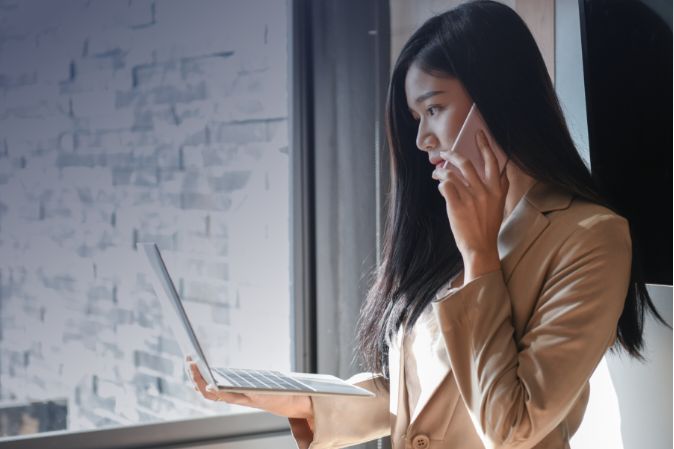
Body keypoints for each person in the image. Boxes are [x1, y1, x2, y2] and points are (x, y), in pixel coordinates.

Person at [187, 1, 669, 448]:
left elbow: (513, 424)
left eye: (434, 108)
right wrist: (303, 401)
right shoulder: (448, 220)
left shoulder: (590, 237)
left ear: (497, 96)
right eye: (415, 116)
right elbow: (423, 391)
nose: (420, 138)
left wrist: (480, 257)